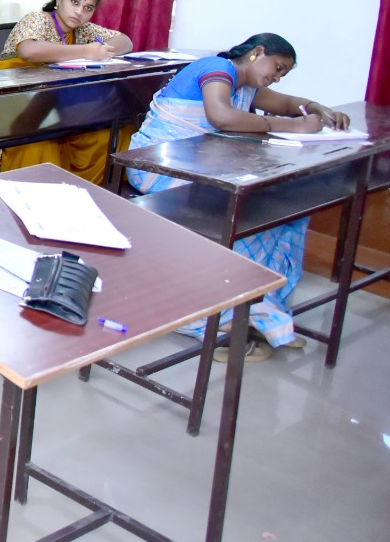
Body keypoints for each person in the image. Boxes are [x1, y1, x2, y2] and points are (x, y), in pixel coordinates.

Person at [129, 34, 350, 359]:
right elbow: (221, 117)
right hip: (158, 166)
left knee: (286, 214)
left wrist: (316, 108)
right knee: (246, 218)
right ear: (257, 53)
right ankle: (205, 320)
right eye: (277, 67)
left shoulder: (247, 88)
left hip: (200, 166)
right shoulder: (216, 68)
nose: (277, 77)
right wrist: (294, 127)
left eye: (283, 73)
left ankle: (255, 308)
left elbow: (288, 103)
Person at [0, 0, 136, 182]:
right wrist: (85, 51)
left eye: (88, 8)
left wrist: (102, 49)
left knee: (113, 133)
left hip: (51, 100)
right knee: (40, 144)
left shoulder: (83, 29)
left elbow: (125, 42)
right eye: (74, 2)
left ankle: (90, 192)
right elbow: (28, 51)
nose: (79, 12)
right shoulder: (37, 19)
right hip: (13, 98)